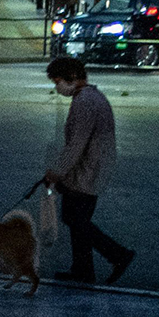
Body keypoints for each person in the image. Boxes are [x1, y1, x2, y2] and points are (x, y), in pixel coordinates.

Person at [42, 56, 134, 284]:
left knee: (76, 219)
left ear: (72, 77)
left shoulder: (85, 102)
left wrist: (57, 171)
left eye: (58, 81)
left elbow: (76, 144)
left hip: (87, 171)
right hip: (91, 169)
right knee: (76, 219)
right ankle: (83, 270)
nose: (57, 87)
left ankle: (117, 255)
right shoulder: (92, 97)